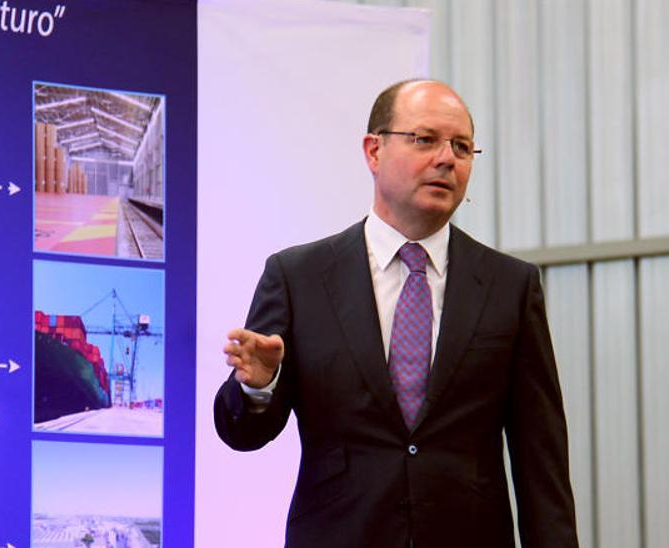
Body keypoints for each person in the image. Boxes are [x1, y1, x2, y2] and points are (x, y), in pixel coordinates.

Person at [214, 79, 578, 547]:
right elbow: (242, 433)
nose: (447, 158)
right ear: (373, 151)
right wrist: (261, 385)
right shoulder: (299, 277)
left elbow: (540, 459)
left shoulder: (511, 286)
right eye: (425, 139)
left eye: (463, 147)